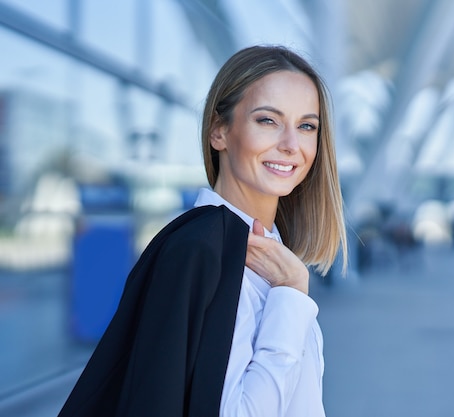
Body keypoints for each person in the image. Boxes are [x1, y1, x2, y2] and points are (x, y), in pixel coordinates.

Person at [58, 45, 348, 417]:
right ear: (219, 131)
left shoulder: (261, 250)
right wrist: (291, 295)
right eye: (267, 120)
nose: (292, 145)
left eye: (306, 126)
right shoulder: (210, 254)